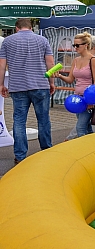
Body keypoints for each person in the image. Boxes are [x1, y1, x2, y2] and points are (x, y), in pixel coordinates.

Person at [0, 18, 55, 165]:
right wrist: (51, 82)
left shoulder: (7, 41)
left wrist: (1, 85)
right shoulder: (43, 40)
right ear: (31, 27)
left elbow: (2, 65)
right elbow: (50, 63)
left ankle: (20, 156)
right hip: (40, 84)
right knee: (43, 119)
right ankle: (46, 150)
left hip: (18, 87)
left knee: (19, 121)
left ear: (17, 28)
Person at [54, 32, 95, 138]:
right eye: (74, 45)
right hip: (78, 98)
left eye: (77, 45)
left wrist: (92, 100)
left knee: (80, 127)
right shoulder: (76, 60)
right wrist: (60, 76)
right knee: (87, 127)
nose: (75, 48)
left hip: (88, 99)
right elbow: (71, 79)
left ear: (86, 45)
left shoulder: (93, 60)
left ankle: (83, 151)